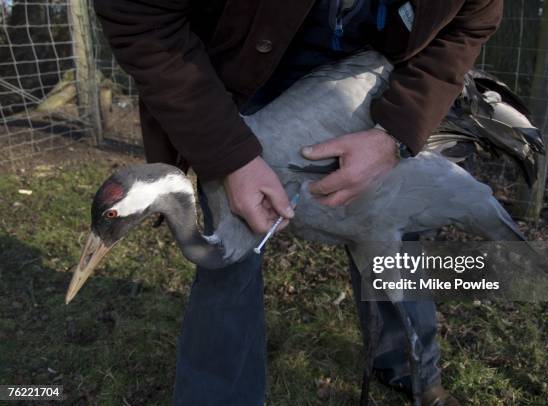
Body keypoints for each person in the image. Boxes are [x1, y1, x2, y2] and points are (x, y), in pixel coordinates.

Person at [93, 0, 502, 404]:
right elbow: (136, 17)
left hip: (368, 70)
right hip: (238, 73)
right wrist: (230, 157)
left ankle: (414, 375)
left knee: (394, 225)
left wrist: (394, 132)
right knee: (230, 250)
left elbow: (467, 25)